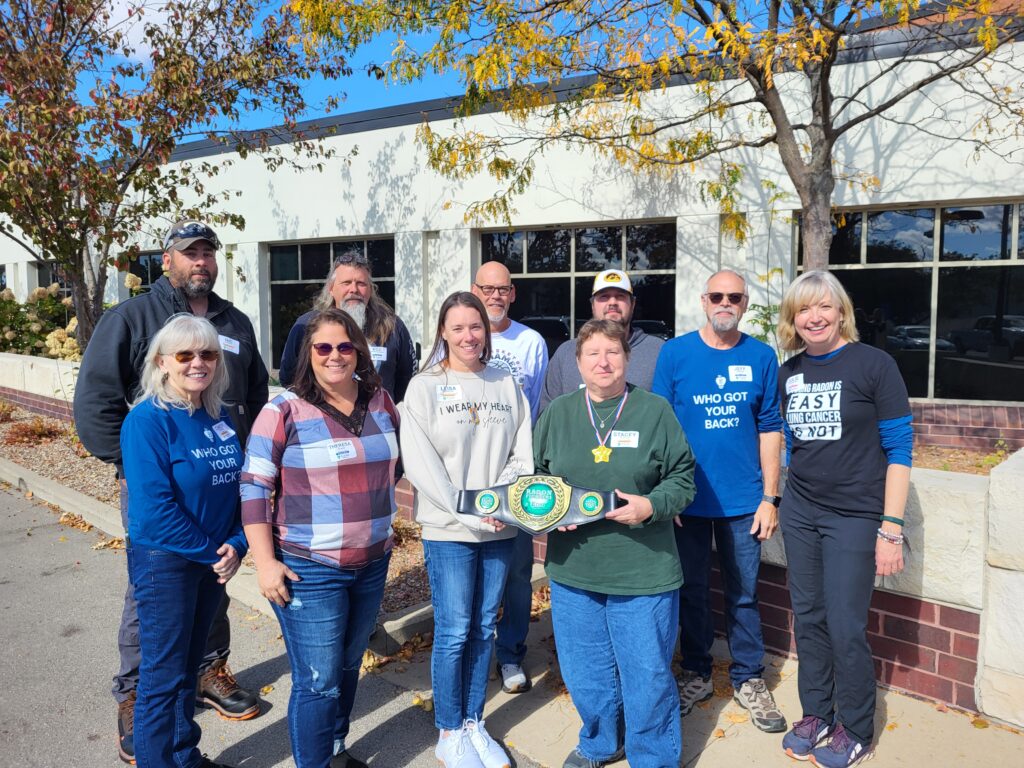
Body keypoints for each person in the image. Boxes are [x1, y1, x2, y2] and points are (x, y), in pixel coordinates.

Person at [74, 220, 267, 763]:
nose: (198, 362)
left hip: (214, 528)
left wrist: (237, 541)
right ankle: (140, 712)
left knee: (192, 645)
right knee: (158, 642)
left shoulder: (234, 329)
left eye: (208, 251)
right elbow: (95, 404)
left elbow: (251, 401)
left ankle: (191, 727)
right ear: (167, 260)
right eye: (190, 252)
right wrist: (139, 463)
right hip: (165, 523)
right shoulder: (131, 321)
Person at [241, 308, 400, 768]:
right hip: (310, 567)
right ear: (308, 354)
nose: (335, 356)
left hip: (372, 561)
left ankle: (334, 748)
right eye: (323, 347)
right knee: (318, 680)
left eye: (345, 346)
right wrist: (265, 562)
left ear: (359, 351)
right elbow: (254, 485)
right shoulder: (283, 410)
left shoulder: (381, 402)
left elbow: (394, 468)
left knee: (349, 665)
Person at [534, 319, 696, 768]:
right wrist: (551, 511)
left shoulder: (655, 411)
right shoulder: (557, 413)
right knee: (586, 672)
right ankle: (600, 743)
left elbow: (683, 479)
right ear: (577, 363)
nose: (603, 361)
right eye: (593, 354)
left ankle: (653, 756)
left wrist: (652, 506)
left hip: (643, 567)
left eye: (613, 352)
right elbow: (538, 479)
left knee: (646, 672)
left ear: (627, 359)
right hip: (575, 567)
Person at [776, 270, 911, 768]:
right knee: (808, 617)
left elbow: (899, 451)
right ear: (793, 318)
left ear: (841, 312)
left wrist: (890, 529)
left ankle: (855, 726)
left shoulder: (874, 365)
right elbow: (792, 444)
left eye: (824, 307)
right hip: (802, 511)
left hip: (855, 516)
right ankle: (817, 714)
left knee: (846, 624)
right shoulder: (787, 373)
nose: (814, 317)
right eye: (803, 310)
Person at [399, 292, 533, 768]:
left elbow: (523, 450)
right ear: (442, 332)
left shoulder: (505, 383)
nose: (468, 336)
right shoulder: (424, 387)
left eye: (475, 327)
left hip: (499, 526)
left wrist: (503, 502)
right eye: (457, 328)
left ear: (487, 330)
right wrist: (468, 512)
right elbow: (422, 465)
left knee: (482, 627)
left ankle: (474, 721)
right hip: (449, 529)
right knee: (454, 629)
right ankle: (449, 729)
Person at [652, 269, 787, 732]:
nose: (724, 303)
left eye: (734, 296)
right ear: (703, 300)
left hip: (744, 502)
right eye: (716, 295)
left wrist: (771, 497)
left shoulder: (762, 356)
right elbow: (661, 427)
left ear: (745, 303)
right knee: (691, 590)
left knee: (744, 595)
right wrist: (664, 495)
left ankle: (749, 677)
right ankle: (697, 672)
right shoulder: (675, 354)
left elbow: (771, 427)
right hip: (686, 500)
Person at [120, 314, 247, 768]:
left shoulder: (219, 415)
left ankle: (183, 754)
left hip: (212, 560)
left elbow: (238, 488)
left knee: (189, 667)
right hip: (167, 562)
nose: (198, 362)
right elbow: (153, 511)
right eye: (186, 354)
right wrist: (218, 553)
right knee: (163, 675)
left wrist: (238, 542)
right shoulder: (147, 421)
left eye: (208, 353)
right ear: (162, 362)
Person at [470, 261, 548, 695]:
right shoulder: (459, 333)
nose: (495, 296)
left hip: (516, 473)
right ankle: (474, 653)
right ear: (475, 290)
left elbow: (532, 408)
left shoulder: (530, 342)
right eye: (488, 288)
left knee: (518, 570)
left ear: (513, 294)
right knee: (474, 570)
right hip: (469, 474)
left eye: (503, 289)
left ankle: (511, 655)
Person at [278, 247, 417, 402]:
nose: (354, 289)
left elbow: (408, 382)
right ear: (331, 289)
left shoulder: (392, 327)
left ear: (370, 289)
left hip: (377, 421)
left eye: (361, 283)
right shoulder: (306, 326)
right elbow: (289, 378)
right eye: (346, 283)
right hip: (321, 421)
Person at [539, 269, 665, 410]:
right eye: (604, 296)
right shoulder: (566, 353)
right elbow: (547, 415)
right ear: (592, 304)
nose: (612, 302)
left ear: (633, 303)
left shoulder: (658, 351)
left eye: (620, 296)